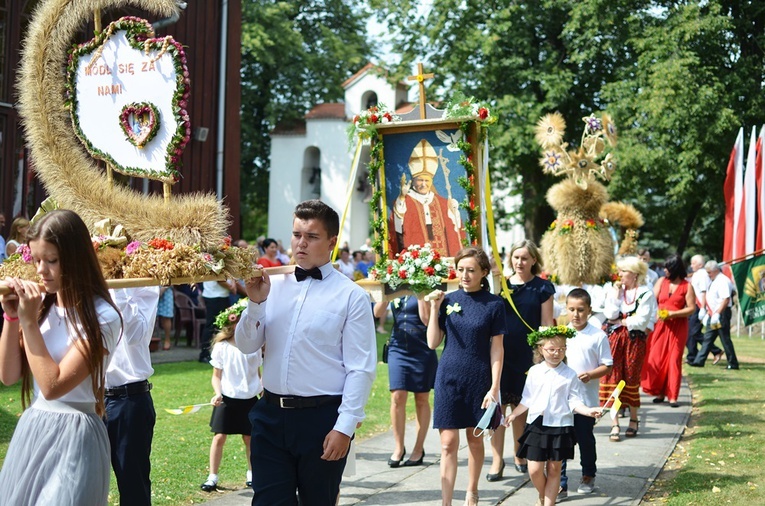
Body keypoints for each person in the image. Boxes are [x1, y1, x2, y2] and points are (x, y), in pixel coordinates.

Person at [235, 199, 377, 504]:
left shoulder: (351, 296)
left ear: (331, 242)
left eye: (311, 237)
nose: (301, 244)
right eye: (297, 234)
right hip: (270, 416)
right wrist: (255, 304)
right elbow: (247, 346)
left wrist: (345, 427)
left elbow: (361, 368)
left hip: (322, 420)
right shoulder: (271, 284)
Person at [0, 209, 122, 505]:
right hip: (35, 427)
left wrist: (29, 324)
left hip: (76, 433)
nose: (42, 270)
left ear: (76, 258)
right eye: (36, 259)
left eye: (51, 260)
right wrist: (12, 318)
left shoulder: (103, 317)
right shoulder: (40, 308)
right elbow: (8, 376)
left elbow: (54, 386)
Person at [427, 247, 506, 506]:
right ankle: (446, 501)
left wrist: (494, 386)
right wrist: (434, 307)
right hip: (448, 376)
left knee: (474, 438)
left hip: (479, 378)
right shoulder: (447, 299)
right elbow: (432, 342)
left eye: (471, 270)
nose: (465, 274)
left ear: (484, 272)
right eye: (461, 269)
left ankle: (472, 491)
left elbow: (497, 348)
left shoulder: (494, 304)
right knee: (448, 443)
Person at [504, 326, 602, 506]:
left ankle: (548, 502)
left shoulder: (570, 374)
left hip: (560, 426)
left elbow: (574, 401)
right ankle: (544, 496)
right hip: (537, 425)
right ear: (541, 349)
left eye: (562, 349)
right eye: (552, 349)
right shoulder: (534, 372)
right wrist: (513, 414)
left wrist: (588, 411)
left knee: (555, 469)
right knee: (534, 469)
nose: (557, 353)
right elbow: (527, 399)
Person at [488, 239, 554, 481]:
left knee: (520, 408)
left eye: (525, 258)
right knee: (497, 409)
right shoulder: (500, 285)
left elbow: (547, 325)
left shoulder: (543, 288)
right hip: (499, 353)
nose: (520, 262)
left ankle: (519, 453)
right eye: (516, 257)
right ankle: (496, 460)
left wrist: (546, 357)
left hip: (527, 356)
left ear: (534, 260)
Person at [105, 286, 160, 506]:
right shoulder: (85, 276)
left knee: (132, 485)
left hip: (128, 400)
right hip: (89, 398)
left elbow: (137, 334)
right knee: (83, 482)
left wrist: (117, 288)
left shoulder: (143, 283)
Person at [201, 299, 263, 493]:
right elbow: (216, 376)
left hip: (250, 398)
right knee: (219, 437)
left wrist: (263, 391)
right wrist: (218, 393)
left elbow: (258, 374)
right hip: (228, 398)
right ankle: (212, 476)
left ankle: (252, 474)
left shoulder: (255, 346)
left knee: (250, 438)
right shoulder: (222, 347)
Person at [559, 288, 613, 498]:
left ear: (589, 310)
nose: (576, 314)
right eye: (571, 309)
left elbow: (607, 365)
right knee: (561, 440)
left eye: (581, 310)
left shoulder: (597, 336)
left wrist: (590, 374)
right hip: (563, 400)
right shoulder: (562, 333)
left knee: (585, 439)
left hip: (586, 399)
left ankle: (588, 474)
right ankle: (560, 481)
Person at [373, 296, 437, 468]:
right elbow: (377, 312)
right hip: (398, 347)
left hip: (423, 348)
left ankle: (418, 449)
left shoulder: (424, 283)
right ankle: (398, 447)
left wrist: (420, 293)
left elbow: (425, 320)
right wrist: (386, 292)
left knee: (421, 399)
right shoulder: (395, 284)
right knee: (397, 397)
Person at [599, 256, 657, 441]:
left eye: (624, 271)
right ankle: (614, 423)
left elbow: (641, 321)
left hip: (634, 341)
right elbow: (609, 314)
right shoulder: (614, 290)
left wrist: (622, 321)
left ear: (634, 274)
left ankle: (633, 418)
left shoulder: (645, 293)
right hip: (615, 340)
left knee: (631, 378)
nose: (620, 274)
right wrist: (615, 298)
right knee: (613, 377)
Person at [388, 138, 465, 258]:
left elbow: (456, 231)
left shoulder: (443, 203)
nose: (424, 184)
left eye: (427, 180)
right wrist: (402, 197)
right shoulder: (404, 202)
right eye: (420, 180)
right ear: (413, 181)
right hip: (416, 262)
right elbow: (396, 227)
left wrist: (454, 212)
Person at [641, 255, 696, 406]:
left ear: (675, 269)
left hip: (678, 327)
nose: (664, 270)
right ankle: (659, 392)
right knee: (656, 359)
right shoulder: (661, 282)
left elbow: (691, 308)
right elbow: (651, 299)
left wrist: (674, 314)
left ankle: (673, 396)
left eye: (668, 268)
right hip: (660, 326)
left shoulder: (687, 286)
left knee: (674, 360)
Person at [690, 260, 739, 369]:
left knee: (725, 338)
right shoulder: (715, 280)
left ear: (715, 270)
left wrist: (717, 314)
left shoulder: (723, 281)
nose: (708, 275)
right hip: (714, 314)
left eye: (709, 272)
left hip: (721, 314)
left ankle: (733, 363)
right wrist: (708, 311)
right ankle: (699, 360)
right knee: (708, 337)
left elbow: (725, 299)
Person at [685, 255, 723, 365]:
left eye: (693, 263)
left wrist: (703, 308)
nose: (691, 265)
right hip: (696, 305)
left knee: (694, 332)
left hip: (700, 305)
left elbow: (703, 292)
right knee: (691, 332)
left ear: (700, 265)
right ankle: (693, 355)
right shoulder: (698, 274)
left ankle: (715, 350)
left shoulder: (702, 275)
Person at [199, 279, 235, 363]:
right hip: (213, 296)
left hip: (222, 295)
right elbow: (219, 279)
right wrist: (231, 287)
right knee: (211, 326)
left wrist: (232, 284)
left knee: (223, 326)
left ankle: (220, 353)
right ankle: (204, 354)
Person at [156, 285, 174, 350]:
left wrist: (163, 289)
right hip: (152, 288)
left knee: (166, 317)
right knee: (151, 317)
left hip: (167, 290)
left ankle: (167, 340)